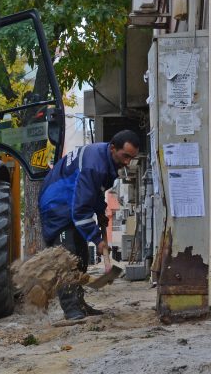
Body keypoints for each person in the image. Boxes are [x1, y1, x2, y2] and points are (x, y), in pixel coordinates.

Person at [38, 129, 140, 320]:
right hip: (57, 205)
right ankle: (71, 309)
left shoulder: (106, 160)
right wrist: (97, 240)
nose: (127, 162)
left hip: (72, 203)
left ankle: (79, 304)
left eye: (131, 158)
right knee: (66, 257)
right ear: (112, 148)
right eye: (125, 156)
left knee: (81, 256)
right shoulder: (95, 165)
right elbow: (80, 209)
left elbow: (93, 191)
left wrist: (100, 211)